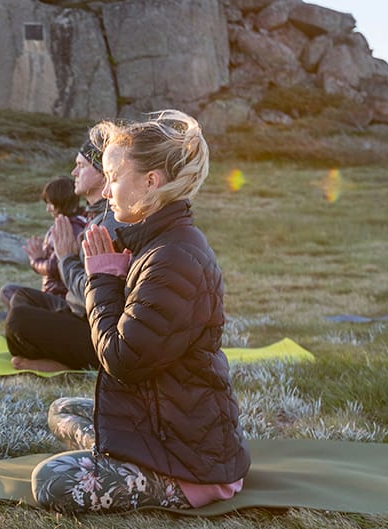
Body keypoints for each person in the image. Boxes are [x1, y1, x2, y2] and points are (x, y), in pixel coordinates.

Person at [31, 110, 250, 513]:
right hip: (167, 426)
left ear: (152, 182)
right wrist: (108, 273)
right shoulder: (158, 243)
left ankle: (177, 486)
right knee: (63, 410)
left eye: (114, 177)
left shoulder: (174, 259)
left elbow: (121, 360)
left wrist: (101, 278)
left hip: (192, 464)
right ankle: (130, 457)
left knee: (52, 481)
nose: (108, 192)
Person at [3, 135, 125, 372]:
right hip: (76, 311)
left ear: (102, 174)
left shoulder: (107, 224)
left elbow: (97, 293)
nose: (73, 172)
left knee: (19, 320)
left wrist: (66, 257)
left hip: (95, 328)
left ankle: (68, 362)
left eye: (81, 166)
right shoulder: (94, 216)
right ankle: (59, 356)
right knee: (20, 298)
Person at [0, 177, 86, 309]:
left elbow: (55, 266)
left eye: (50, 203)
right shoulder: (78, 222)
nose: (48, 209)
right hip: (61, 294)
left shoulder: (67, 227)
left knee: (8, 292)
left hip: (61, 297)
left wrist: (36, 260)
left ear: (60, 201)